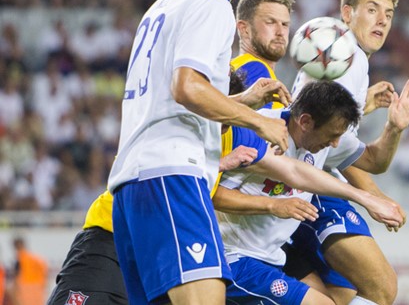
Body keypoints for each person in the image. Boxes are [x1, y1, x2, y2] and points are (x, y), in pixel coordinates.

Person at [107, 0, 291, 305]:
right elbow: (187, 87)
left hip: (131, 182)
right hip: (172, 175)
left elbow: (172, 97)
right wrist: (257, 121)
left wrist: (239, 100)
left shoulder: (163, 6)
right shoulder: (213, 5)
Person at [46, 71, 294, 305]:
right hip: (109, 242)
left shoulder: (216, 147)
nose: (225, 128)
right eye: (225, 116)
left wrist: (218, 164)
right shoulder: (169, 121)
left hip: (157, 258)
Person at [215, 80, 409, 304]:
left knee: (360, 293)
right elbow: (213, 195)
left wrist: (394, 128)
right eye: (332, 135)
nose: (336, 143)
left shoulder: (323, 139)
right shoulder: (258, 130)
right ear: (305, 121)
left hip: (272, 256)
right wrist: (272, 205)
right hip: (233, 257)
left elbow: (374, 161)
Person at [288, 0, 409, 305]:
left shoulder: (345, 61)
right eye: (372, 10)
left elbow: (352, 150)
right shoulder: (349, 59)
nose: (382, 20)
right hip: (310, 188)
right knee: (382, 287)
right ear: (347, 13)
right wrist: (370, 197)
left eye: (388, 14)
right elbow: (330, 148)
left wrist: (385, 120)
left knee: (339, 295)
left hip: (302, 185)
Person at [231, 0, 295, 109]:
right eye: (270, 22)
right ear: (244, 29)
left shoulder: (237, 68)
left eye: (285, 24)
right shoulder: (255, 70)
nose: (280, 32)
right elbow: (255, 127)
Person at [9, 237, 48, 305]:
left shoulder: (19, 259)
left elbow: (16, 276)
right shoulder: (38, 259)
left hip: (24, 293)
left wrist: (14, 292)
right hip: (38, 292)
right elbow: (45, 274)